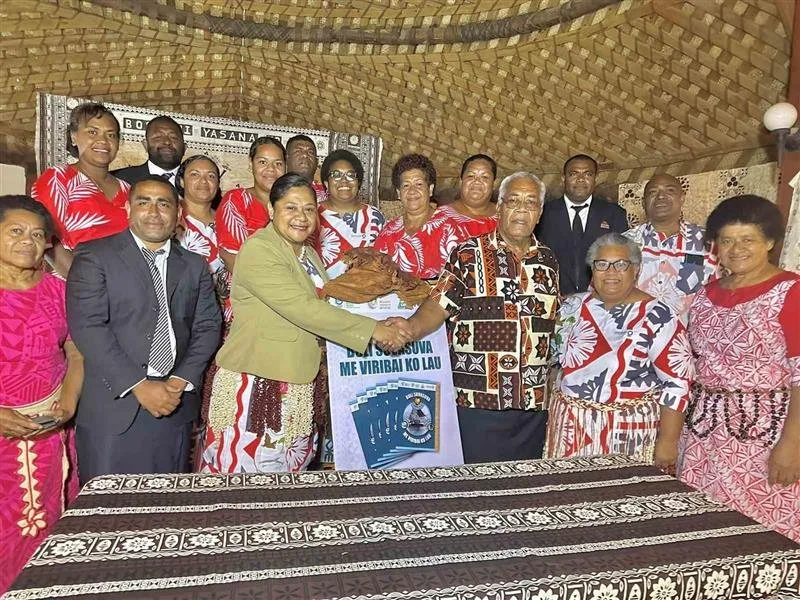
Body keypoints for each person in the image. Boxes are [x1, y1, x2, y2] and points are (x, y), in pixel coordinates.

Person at [199, 174, 410, 473]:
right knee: (247, 479)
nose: (302, 217)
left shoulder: (307, 254)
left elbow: (327, 303)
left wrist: (383, 311)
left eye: (309, 209)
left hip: (298, 381)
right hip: (260, 385)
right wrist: (374, 330)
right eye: (291, 208)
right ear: (272, 211)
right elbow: (303, 308)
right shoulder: (260, 249)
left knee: (288, 478)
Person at [66, 176, 221, 484]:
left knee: (164, 509)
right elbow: (88, 327)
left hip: (173, 405)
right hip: (115, 407)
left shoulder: (193, 265)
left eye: (164, 203)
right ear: (128, 209)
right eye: (143, 202)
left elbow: (208, 325)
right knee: (109, 513)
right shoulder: (95, 256)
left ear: (178, 213)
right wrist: (139, 385)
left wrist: (179, 381)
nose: (154, 211)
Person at [403, 172, 559, 463]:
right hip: (477, 401)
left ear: (539, 213)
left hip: (531, 403)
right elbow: (438, 305)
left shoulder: (548, 261)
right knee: (476, 491)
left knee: (523, 493)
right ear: (499, 209)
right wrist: (410, 328)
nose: (522, 209)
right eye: (513, 201)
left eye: (531, 203)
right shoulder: (467, 254)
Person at [679, 195, 800, 542]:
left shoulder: (791, 292)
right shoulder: (706, 294)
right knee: (703, 526)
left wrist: (792, 445)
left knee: (763, 533)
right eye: (727, 240)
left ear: (770, 242)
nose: (736, 249)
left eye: (748, 239)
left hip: (765, 434)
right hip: (704, 432)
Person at [547, 233, 690, 469]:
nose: (610, 272)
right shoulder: (572, 307)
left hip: (627, 437)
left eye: (621, 264)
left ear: (636, 269)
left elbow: (677, 383)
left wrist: (667, 443)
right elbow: (554, 362)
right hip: (570, 433)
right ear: (592, 269)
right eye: (602, 264)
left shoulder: (658, 316)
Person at [0, 196, 83, 594]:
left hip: (51, 430)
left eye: (37, 235)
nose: (27, 242)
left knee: (51, 525)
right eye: (15, 231)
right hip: (2, 433)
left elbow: (75, 349)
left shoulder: (58, 290)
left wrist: (68, 402)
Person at [31, 102, 130, 276]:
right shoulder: (57, 178)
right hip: (74, 287)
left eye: (111, 135)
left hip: (125, 286)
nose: (103, 141)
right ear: (74, 136)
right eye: (92, 132)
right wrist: (83, 280)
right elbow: (45, 237)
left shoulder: (128, 190)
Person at [623, 174, 720, 323]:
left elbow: (722, 294)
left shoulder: (708, 243)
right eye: (653, 192)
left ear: (682, 198)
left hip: (688, 340)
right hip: (633, 339)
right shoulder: (622, 243)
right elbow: (601, 296)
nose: (661, 196)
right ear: (643, 203)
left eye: (670, 190)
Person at [536, 154, 628, 295]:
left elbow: (624, 261)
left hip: (600, 301)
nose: (580, 179)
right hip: (553, 299)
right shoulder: (542, 214)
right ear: (563, 178)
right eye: (574, 174)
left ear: (595, 179)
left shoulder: (614, 214)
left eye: (588, 174)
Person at [373, 154, 469, 279]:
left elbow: (462, 277)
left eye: (418, 184)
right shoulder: (389, 231)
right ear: (398, 193)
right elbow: (375, 272)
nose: (412, 191)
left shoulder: (451, 228)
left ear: (430, 189)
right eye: (406, 185)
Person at [216, 136, 286, 272]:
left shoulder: (293, 205)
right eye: (262, 162)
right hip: (249, 288)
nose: (271, 169)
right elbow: (233, 259)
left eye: (278, 163)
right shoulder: (236, 200)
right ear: (250, 163)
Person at [174, 154, 228, 319]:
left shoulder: (228, 220)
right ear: (182, 181)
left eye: (211, 176)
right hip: (184, 312)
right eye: (195, 175)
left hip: (229, 313)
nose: (204, 181)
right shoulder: (171, 219)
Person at [315, 149, 386, 272]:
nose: (344, 180)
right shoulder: (312, 213)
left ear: (358, 182)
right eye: (336, 175)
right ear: (326, 183)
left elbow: (385, 260)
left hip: (365, 287)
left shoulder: (375, 217)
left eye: (351, 175)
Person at [434, 154, 498, 237]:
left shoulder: (506, 217)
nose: (477, 181)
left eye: (485, 177)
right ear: (461, 181)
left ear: (494, 183)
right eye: (470, 176)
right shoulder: (440, 218)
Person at [112, 115, 186, 185]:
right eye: (158, 137)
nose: (167, 142)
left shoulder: (193, 181)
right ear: (145, 145)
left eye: (173, 137)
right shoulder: (119, 180)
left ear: (184, 148)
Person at [286, 134, 326, 203]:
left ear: (317, 162)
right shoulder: (274, 190)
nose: (305, 155)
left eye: (310, 152)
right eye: (298, 151)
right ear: (286, 159)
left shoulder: (327, 196)